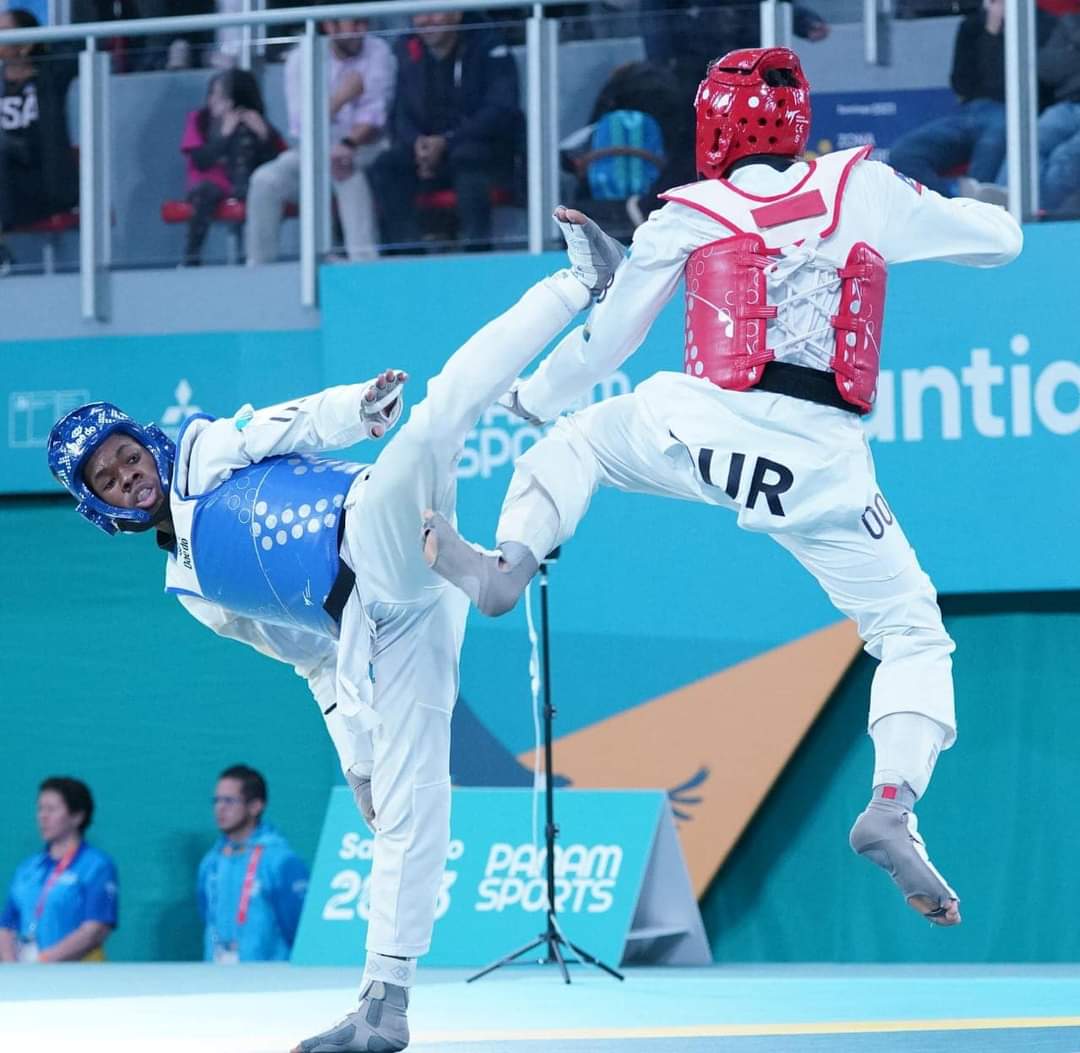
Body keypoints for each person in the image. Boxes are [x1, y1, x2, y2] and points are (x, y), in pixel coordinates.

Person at [423, 47, 1025, 930]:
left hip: (700, 426)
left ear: (712, 127)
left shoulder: (686, 214)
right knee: (911, 632)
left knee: (581, 441)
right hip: (823, 466)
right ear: (798, 123)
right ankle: (892, 802)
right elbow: (1001, 242)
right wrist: (943, 206)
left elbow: (606, 347)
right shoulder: (866, 187)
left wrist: (531, 396)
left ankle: (509, 563)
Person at [46, 230, 612, 1049]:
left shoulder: (201, 454)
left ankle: (578, 283)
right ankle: (384, 1004)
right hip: (384, 618)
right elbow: (310, 657)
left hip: (375, 526)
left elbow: (285, 425)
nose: (130, 475)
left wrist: (358, 408)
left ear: (146, 443)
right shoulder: (190, 592)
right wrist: (356, 755)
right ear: (102, 507)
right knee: (409, 804)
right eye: (109, 479)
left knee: (436, 419)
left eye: (128, 456)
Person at [245, 13, 395, 264]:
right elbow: (303, 125)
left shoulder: (379, 52)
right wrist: (341, 97)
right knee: (264, 180)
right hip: (313, 148)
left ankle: (364, 263)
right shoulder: (300, 58)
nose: (360, 31)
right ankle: (258, 267)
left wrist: (347, 145)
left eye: (364, 24)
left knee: (346, 172)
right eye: (353, 23)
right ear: (330, 26)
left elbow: (374, 117)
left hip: (364, 147)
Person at [368, 10, 522, 253]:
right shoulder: (405, 49)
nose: (426, 20)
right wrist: (418, 144)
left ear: (456, 12)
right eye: (418, 14)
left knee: (468, 160)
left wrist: (447, 141)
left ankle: (476, 254)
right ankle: (408, 256)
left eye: (434, 12)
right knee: (385, 168)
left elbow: (501, 110)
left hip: (478, 148)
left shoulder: (488, 44)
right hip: (426, 153)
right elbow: (399, 111)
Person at [197, 764, 309, 963]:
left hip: (269, 984)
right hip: (216, 982)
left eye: (229, 801)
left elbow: (299, 930)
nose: (219, 808)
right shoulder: (211, 862)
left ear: (255, 806)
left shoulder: (280, 861)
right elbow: (206, 916)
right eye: (216, 800)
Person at [0, 777, 118, 963]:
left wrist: (44, 962)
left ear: (77, 816)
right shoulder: (28, 868)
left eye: (51, 809)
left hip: (76, 976)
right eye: (40, 809)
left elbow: (95, 929)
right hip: (25, 975)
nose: (42, 816)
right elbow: (6, 925)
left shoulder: (96, 866)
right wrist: (12, 967)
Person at [0, 8, 78, 275]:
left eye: (4, 31)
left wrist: (41, 42)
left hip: (42, 178)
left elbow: (81, 44)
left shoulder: (49, 78)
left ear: (25, 42)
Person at [180, 69, 282, 266]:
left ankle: (258, 259)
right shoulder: (199, 119)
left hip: (249, 185)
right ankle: (191, 258)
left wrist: (263, 135)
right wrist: (224, 135)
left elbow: (279, 162)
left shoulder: (253, 121)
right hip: (210, 184)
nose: (213, 101)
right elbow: (201, 160)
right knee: (205, 193)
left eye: (221, 96)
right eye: (212, 95)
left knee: (261, 193)